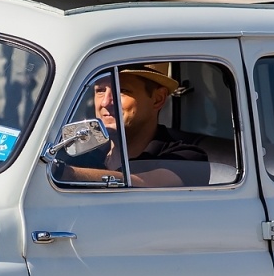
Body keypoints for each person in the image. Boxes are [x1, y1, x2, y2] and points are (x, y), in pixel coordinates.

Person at [56, 63, 209, 187]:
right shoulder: (80, 151)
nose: (105, 102)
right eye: (100, 90)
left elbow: (143, 184)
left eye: (121, 90)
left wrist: (60, 172)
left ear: (158, 99)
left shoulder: (187, 158)